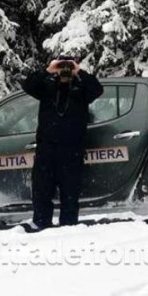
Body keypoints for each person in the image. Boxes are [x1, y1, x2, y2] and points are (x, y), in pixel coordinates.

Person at [21, 55, 103, 230]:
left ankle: (69, 226)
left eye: (68, 67)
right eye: (62, 66)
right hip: (47, 149)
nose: (65, 70)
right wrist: (49, 70)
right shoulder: (47, 87)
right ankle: (41, 224)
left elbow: (97, 89)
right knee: (42, 191)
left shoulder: (81, 88)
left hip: (72, 149)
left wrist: (78, 71)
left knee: (70, 192)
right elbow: (28, 85)